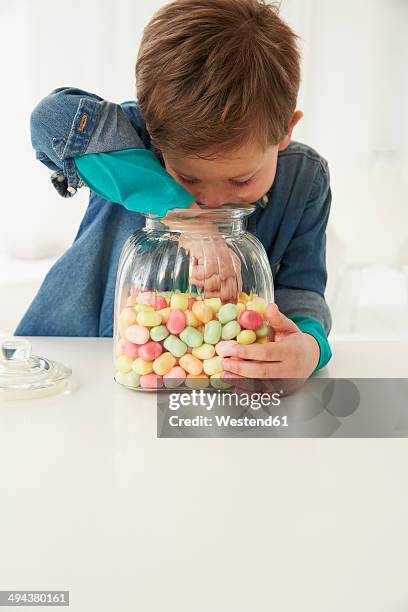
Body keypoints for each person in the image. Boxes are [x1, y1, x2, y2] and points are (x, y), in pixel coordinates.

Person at [15, 0, 332, 380]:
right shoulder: (130, 142)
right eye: (189, 178)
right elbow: (50, 117)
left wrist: (310, 348)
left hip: (218, 389)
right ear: (153, 134)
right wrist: (183, 215)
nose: (212, 201)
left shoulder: (305, 180)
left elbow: (303, 291)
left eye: (241, 180)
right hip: (76, 365)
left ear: (286, 131)